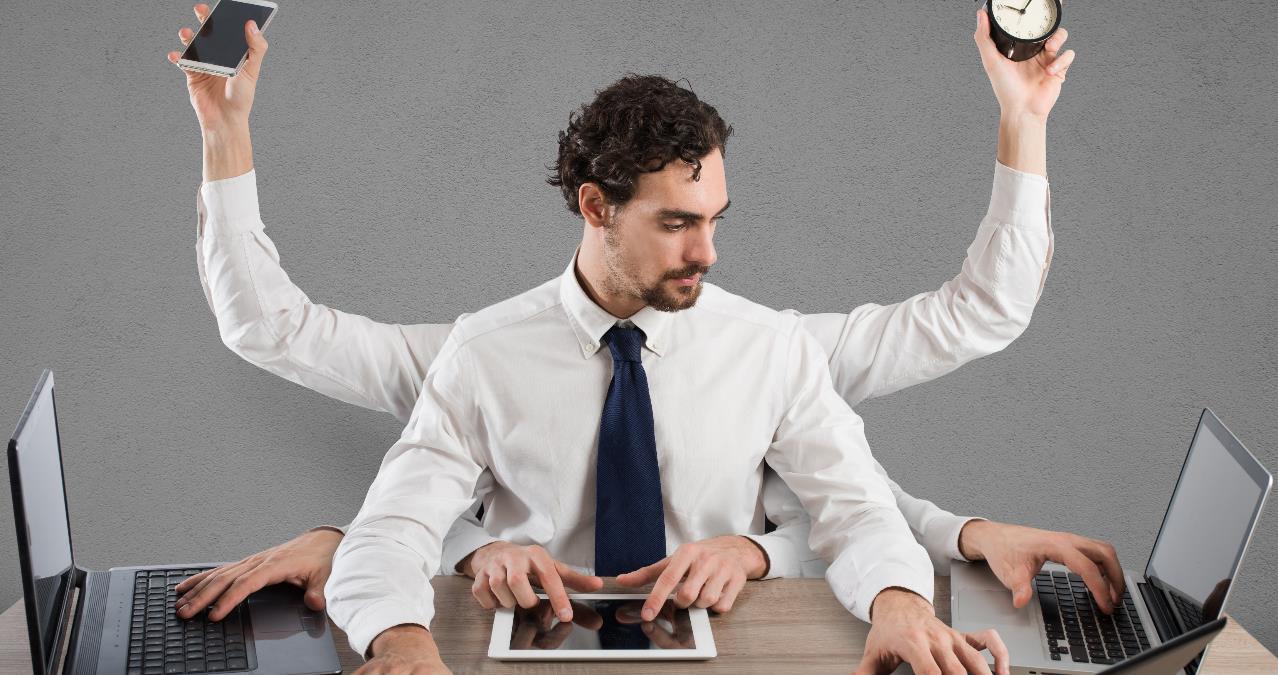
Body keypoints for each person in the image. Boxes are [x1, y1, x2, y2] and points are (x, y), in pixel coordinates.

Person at [166, 5, 1114, 673]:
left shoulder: (771, 348)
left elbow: (861, 500)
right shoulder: (480, 354)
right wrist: (223, 132)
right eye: (674, 223)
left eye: (716, 218)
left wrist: (1023, 120)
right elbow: (291, 356)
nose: (708, 252)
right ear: (595, 206)